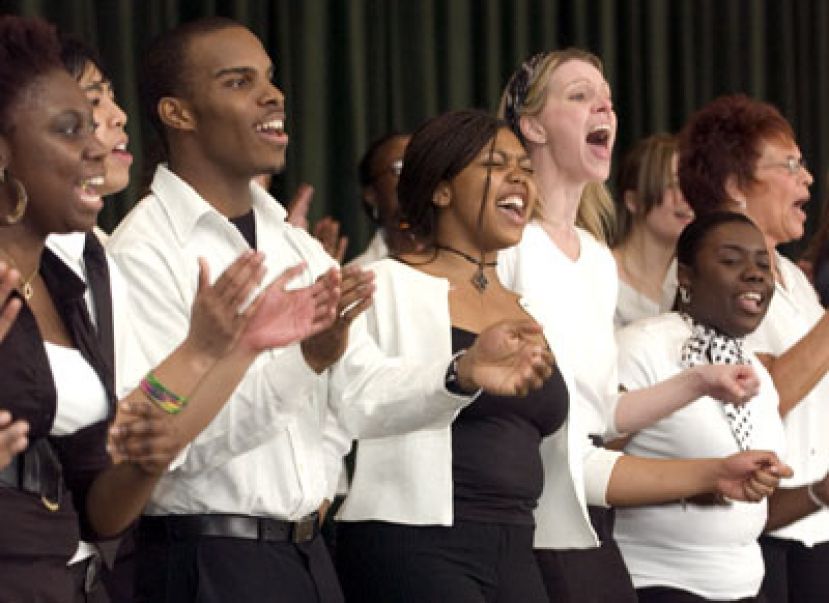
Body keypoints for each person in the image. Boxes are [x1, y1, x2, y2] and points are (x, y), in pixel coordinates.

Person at [107, 18, 552, 603]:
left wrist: (459, 372)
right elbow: (168, 447)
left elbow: (360, 393)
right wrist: (305, 362)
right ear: (178, 113)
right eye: (239, 82)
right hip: (207, 559)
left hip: (308, 556)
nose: (273, 95)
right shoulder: (145, 249)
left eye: (270, 77)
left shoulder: (294, 245)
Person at [334, 109, 790, 603]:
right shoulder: (383, 285)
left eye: (524, 168)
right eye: (496, 165)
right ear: (441, 190)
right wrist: (459, 372)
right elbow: (354, 403)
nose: (518, 178)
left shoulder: (529, 311)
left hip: (518, 545)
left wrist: (714, 472)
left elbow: (579, 453)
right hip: (412, 545)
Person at [0, 16, 337, 601]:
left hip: (68, 581)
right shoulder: (133, 252)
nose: (96, 147)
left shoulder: (75, 282)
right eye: (69, 129)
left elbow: (107, 503)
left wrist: (223, 350)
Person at [497, 50, 779, 602]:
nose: (604, 106)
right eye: (579, 96)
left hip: (582, 513)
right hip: (522, 515)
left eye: (607, 98)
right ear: (532, 126)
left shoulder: (596, 259)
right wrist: (708, 474)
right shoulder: (510, 246)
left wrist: (701, 382)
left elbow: (601, 415)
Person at [678, 93, 829, 602]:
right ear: (734, 186)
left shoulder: (792, 276)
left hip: (815, 526)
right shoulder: (711, 282)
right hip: (763, 533)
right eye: (790, 165)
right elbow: (760, 397)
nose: (807, 179)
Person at [615, 212, 786, 602]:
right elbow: (588, 469)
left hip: (746, 585)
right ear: (685, 276)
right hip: (658, 583)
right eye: (731, 260)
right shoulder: (643, 347)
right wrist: (697, 483)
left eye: (764, 264)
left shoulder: (757, 372)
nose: (755, 274)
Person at [611, 133, 694, 327]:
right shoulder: (601, 274)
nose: (686, 197)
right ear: (633, 201)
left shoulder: (694, 281)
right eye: (672, 185)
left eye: (690, 184)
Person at [350, 132, 411, 267]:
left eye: (423, 165)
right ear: (371, 194)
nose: (417, 175)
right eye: (400, 168)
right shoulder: (361, 273)